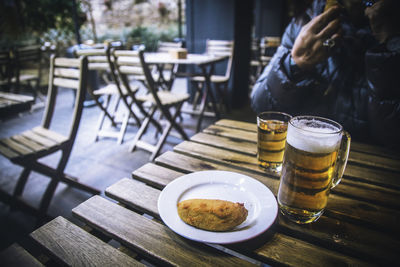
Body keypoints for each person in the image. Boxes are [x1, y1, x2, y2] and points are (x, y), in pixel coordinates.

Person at [251, 0, 400, 148]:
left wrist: (391, 47)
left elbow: (392, 137)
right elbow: (261, 106)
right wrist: (295, 65)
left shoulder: (392, 27)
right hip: (302, 151)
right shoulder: (305, 22)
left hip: (369, 161)